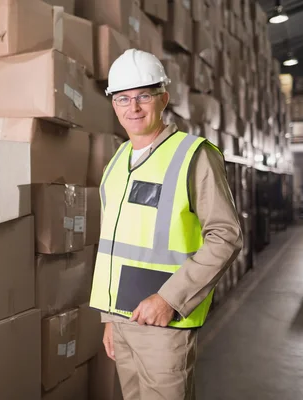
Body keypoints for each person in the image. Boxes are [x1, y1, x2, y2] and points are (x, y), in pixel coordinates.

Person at [89, 49, 243, 400]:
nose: (134, 107)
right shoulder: (117, 162)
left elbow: (226, 236)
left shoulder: (193, 154)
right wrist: (110, 319)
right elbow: (115, 246)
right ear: (114, 104)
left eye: (144, 95)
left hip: (163, 320)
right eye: (124, 98)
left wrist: (170, 299)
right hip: (122, 319)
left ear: (164, 98)